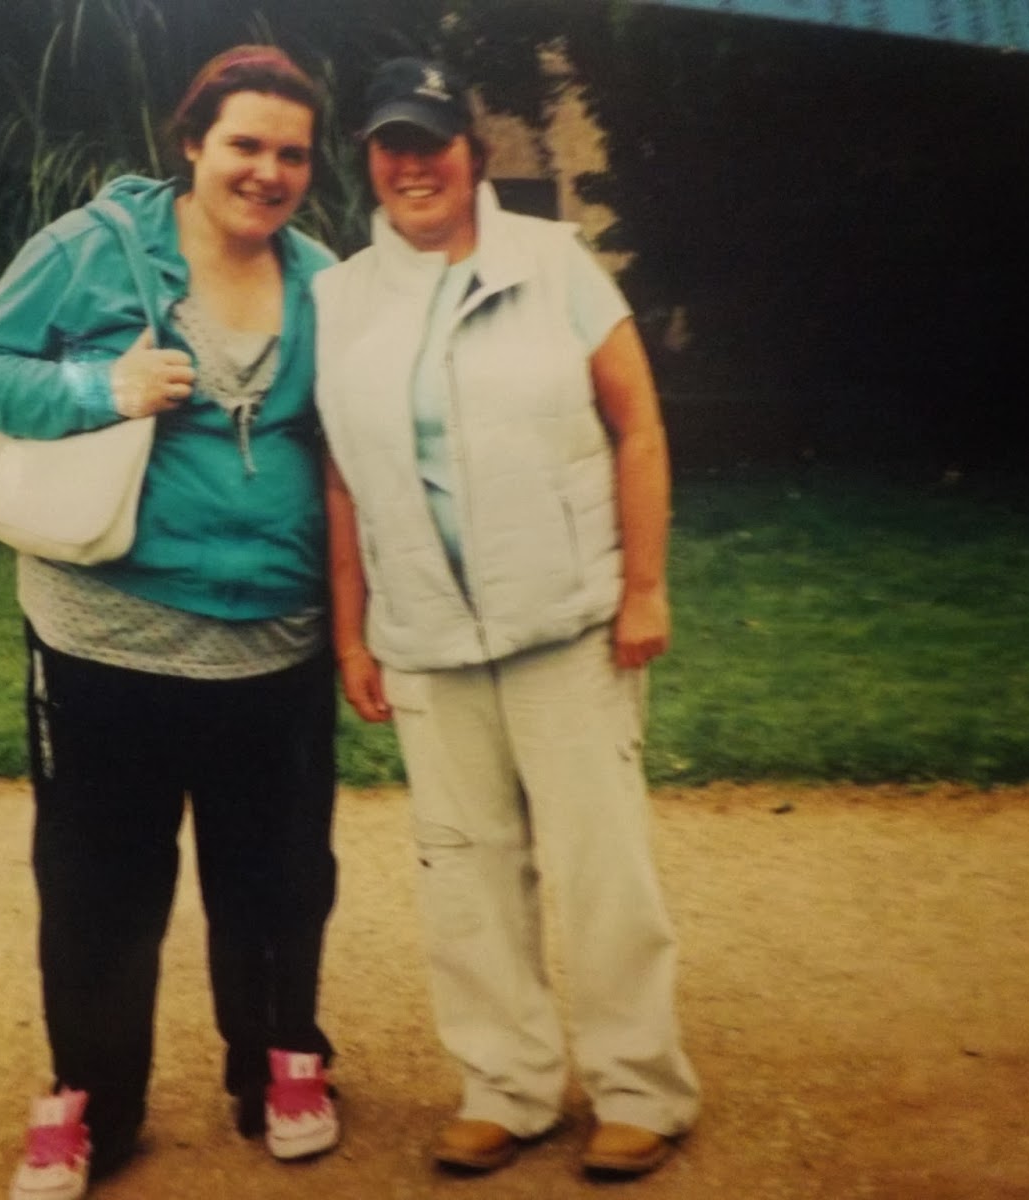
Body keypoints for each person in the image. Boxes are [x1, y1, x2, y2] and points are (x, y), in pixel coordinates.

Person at [0, 45, 341, 1200]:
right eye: (244, 145)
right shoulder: (91, 247)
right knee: (99, 882)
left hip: (276, 641)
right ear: (192, 142)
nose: (266, 172)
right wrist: (97, 390)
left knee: (277, 873)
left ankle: (279, 1059)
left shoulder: (325, 281)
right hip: (104, 639)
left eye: (291, 155)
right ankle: (91, 1098)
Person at [313, 58, 701, 1180]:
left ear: (471, 153)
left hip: (568, 622)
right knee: (466, 875)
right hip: (427, 639)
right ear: (368, 160)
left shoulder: (553, 261)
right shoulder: (339, 299)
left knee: (602, 868)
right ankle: (507, 1087)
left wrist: (643, 585)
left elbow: (638, 425)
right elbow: (339, 478)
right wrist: (353, 634)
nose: (412, 164)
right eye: (391, 144)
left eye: (431, 141)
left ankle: (641, 1088)